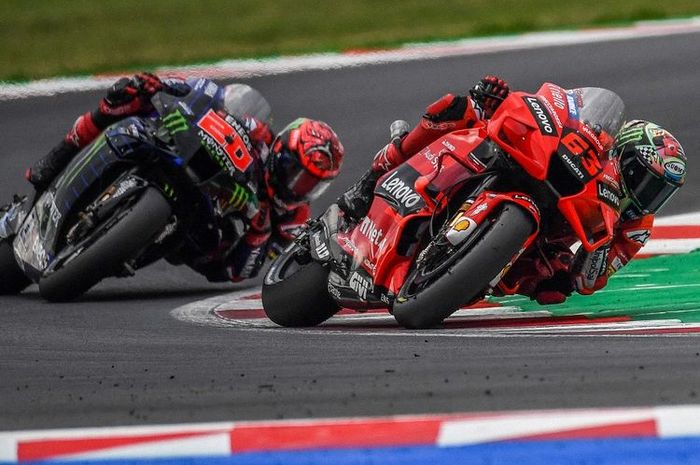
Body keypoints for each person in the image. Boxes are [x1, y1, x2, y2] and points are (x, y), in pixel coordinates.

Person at [338, 76, 687, 304]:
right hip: (534, 169)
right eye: (642, 179)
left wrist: (592, 255)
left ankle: (460, 272)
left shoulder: (636, 227)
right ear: (621, 155)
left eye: (658, 191)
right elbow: (564, 112)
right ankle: (371, 178)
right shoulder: (600, 144)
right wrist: (497, 101)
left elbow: (591, 280)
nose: (645, 196)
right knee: (459, 110)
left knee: (552, 284)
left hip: (549, 233)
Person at [26, 72, 345, 282]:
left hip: (203, 236)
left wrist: (258, 230)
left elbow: (240, 272)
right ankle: (56, 159)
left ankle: (121, 242)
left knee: (213, 253)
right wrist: (164, 86)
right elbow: (210, 96)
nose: (297, 186)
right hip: (185, 158)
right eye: (296, 173)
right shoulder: (258, 134)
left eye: (311, 184)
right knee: (124, 100)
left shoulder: (293, 217)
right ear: (281, 151)